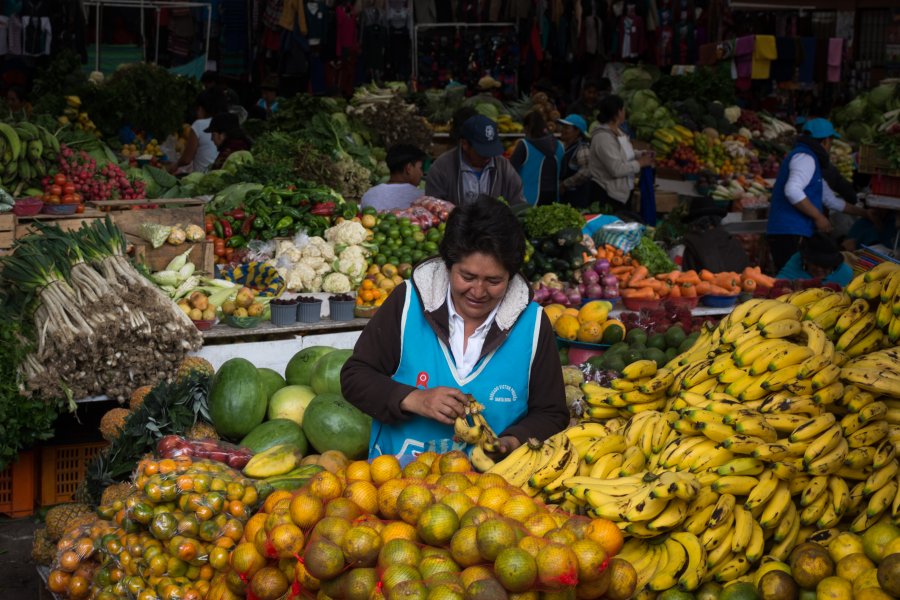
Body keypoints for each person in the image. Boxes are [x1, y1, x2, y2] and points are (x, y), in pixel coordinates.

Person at [340, 196, 568, 458]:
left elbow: (552, 413)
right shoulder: (408, 303)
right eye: (467, 277)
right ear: (448, 265)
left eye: (494, 280)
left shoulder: (533, 324)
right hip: (394, 483)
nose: (478, 291)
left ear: (511, 275)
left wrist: (511, 442)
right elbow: (354, 376)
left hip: (491, 492)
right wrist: (415, 399)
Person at [766, 118, 872, 272]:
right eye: (831, 142)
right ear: (825, 142)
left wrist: (865, 214)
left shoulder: (809, 160)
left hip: (793, 232)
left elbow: (830, 199)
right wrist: (819, 217)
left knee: (796, 282)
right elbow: (792, 190)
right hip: (790, 232)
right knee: (790, 282)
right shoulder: (805, 158)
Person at [425, 115, 525, 206]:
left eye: (492, 150)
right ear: (465, 144)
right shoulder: (441, 168)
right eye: (482, 151)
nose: (488, 156)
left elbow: (518, 204)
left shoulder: (504, 167)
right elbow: (433, 208)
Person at [589, 94, 654, 210]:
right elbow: (616, 169)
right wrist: (640, 163)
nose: (625, 112)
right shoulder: (603, 137)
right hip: (607, 195)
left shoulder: (618, 132)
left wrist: (640, 154)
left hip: (621, 194)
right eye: (623, 109)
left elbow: (623, 153)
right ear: (618, 112)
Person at [680, 197, 750, 273]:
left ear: (694, 224)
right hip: (742, 283)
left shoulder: (692, 245)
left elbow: (688, 275)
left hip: (706, 284)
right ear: (717, 221)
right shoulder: (734, 243)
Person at [509, 111, 565, 206]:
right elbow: (563, 172)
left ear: (527, 128)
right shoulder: (560, 146)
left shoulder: (524, 145)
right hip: (553, 198)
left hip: (528, 199)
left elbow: (510, 171)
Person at [169, 89, 225, 174]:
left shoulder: (199, 124)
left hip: (201, 178)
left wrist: (175, 166)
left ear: (202, 108)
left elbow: (186, 160)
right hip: (218, 175)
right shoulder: (224, 122)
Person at [360, 144, 426, 211]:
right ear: (409, 168)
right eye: (420, 168)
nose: (421, 174)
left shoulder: (369, 195)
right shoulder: (423, 198)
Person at [777, 233, 853, 287]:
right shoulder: (796, 262)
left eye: (824, 265)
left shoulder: (844, 274)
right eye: (815, 263)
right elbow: (777, 283)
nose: (819, 269)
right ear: (805, 260)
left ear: (833, 264)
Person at [557, 114, 593, 208]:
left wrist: (565, 184)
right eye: (563, 127)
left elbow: (586, 172)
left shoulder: (582, 148)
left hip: (576, 200)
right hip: (565, 198)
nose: (563, 130)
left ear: (577, 131)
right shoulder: (564, 146)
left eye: (567, 128)